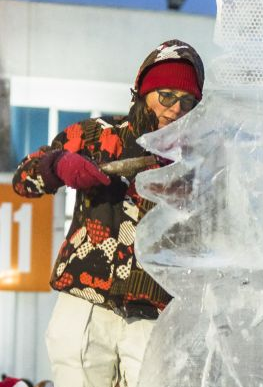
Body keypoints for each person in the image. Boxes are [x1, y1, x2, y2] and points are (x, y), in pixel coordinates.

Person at [12, 40, 204, 387]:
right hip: (86, 303)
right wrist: (56, 165)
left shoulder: (198, 165)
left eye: (187, 100)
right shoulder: (96, 137)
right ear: (143, 92)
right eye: (166, 96)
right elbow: (24, 179)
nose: (176, 109)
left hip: (155, 313)